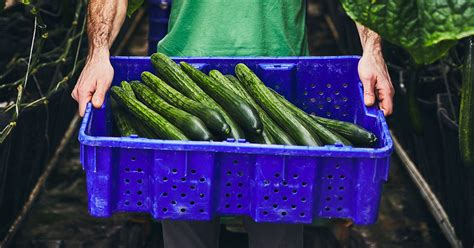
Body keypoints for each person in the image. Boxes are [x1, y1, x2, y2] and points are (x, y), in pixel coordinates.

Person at [72, 1, 394, 247]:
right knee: (187, 224)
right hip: (183, 76)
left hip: (280, 76)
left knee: (279, 225)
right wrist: (98, 53)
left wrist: (372, 50)